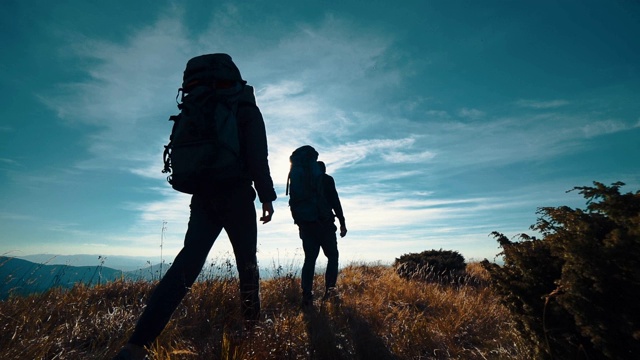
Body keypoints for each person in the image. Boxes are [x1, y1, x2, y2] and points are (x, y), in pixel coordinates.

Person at [114, 54, 277, 360]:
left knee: (187, 264)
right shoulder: (244, 106)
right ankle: (252, 330)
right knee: (247, 263)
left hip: (202, 196)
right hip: (237, 195)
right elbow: (258, 156)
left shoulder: (197, 106)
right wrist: (267, 196)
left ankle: (137, 344)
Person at [299, 160, 347, 306]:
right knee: (332, 256)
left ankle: (307, 295)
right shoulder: (327, 180)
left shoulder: (302, 181)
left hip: (307, 227)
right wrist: (342, 223)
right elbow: (335, 202)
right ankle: (330, 292)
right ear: (323, 170)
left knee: (309, 259)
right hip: (325, 225)